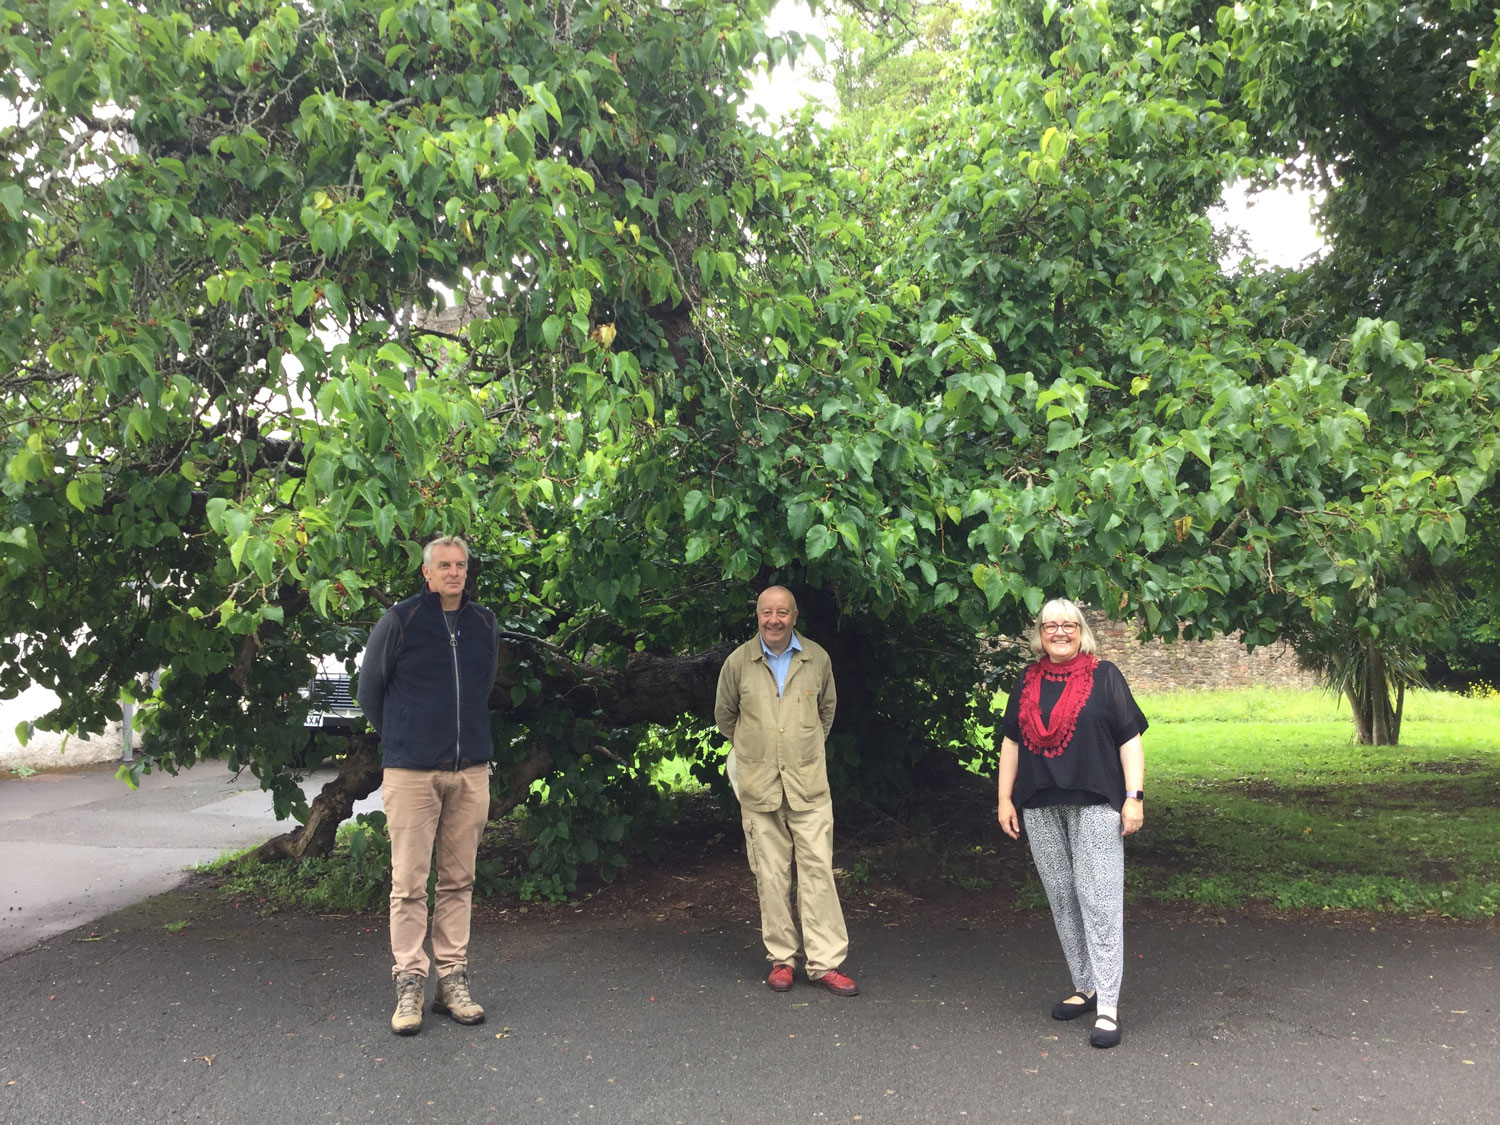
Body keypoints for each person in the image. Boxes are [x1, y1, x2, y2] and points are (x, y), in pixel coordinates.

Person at [356, 535, 500, 1036]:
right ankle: (410, 982)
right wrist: (405, 735)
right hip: (411, 771)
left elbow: (482, 688)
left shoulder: (484, 624)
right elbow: (369, 691)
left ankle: (452, 980)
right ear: (427, 572)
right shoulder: (401, 621)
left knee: (459, 880)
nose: (454, 573)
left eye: (460, 565)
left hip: (470, 770)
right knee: (409, 885)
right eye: (444, 565)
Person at [996, 598, 1146, 1049]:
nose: (1059, 632)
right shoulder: (1027, 680)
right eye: (1050, 626)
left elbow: (1130, 740)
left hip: (1097, 803)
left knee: (1099, 900)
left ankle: (1109, 1006)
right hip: (1040, 804)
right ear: (1039, 634)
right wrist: (1004, 798)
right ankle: (1085, 985)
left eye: (1068, 625)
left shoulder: (1106, 677)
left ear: (1081, 630)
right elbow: (1011, 741)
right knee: (1062, 898)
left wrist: (1133, 798)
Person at [714, 586, 859, 997]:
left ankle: (825, 963)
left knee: (818, 875)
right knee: (771, 876)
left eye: (782, 613)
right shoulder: (738, 663)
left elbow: (826, 712)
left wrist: (801, 747)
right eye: (766, 612)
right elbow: (726, 717)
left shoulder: (817, 659)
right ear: (757, 615)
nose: (773, 620)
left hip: (809, 786)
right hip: (759, 789)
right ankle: (782, 959)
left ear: (795, 616)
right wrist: (757, 749)